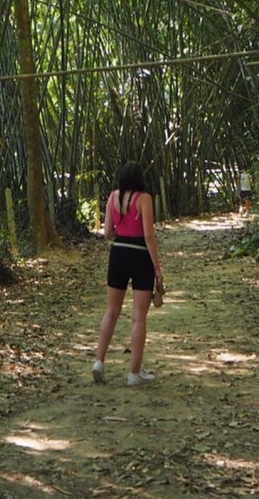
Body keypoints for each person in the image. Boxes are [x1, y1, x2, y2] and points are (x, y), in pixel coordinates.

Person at [92, 161, 164, 387]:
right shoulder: (145, 199)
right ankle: (134, 373)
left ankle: (99, 362)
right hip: (140, 255)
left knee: (111, 311)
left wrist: (121, 229)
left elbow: (107, 233)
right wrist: (157, 268)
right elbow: (148, 236)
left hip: (118, 254)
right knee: (138, 317)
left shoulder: (113, 197)